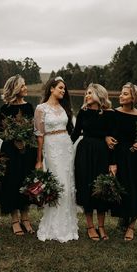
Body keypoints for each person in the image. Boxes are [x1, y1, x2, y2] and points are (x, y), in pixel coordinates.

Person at [34, 76, 79, 242]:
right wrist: (39, 160)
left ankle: (67, 226)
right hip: (51, 147)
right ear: (51, 88)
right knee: (57, 184)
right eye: (60, 87)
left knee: (67, 184)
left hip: (66, 147)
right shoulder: (41, 108)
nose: (63, 91)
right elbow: (39, 136)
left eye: (64, 89)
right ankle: (53, 227)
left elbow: (71, 129)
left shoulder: (64, 107)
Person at [71, 83, 117, 241]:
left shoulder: (110, 114)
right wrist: (61, 147)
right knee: (86, 187)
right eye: (86, 93)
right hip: (84, 153)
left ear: (99, 94)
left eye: (90, 93)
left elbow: (112, 139)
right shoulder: (83, 112)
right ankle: (90, 226)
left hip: (102, 154)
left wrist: (112, 162)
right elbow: (75, 134)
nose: (87, 95)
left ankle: (102, 227)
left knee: (101, 189)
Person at [0, 75, 36, 235]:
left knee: (26, 181)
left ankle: (25, 218)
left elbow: (33, 129)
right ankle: (14, 219)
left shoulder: (29, 107)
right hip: (10, 152)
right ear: (15, 89)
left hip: (27, 151)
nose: (26, 88)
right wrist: (13, 138)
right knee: (12, 182)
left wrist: (25, 140)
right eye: (23, 85)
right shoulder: (4, 109)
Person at [106, 82, 137, 241]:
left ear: (133, 98)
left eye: (125, 94)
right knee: (122, 189)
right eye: (121, 93)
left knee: (136, 189)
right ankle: (123, 219)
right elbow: (106, 132)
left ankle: (131, 226)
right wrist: (106, 137)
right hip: (119, 156)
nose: (120, 96)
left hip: (136, 158)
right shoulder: (113, 114)